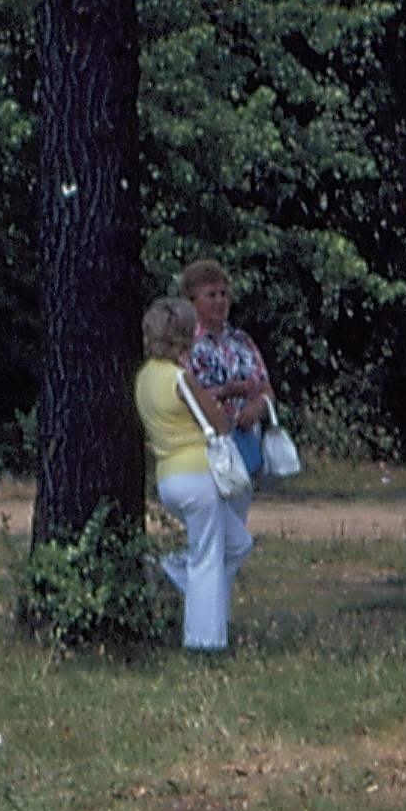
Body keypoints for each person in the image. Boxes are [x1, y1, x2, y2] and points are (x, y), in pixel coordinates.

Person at [136, 296, 248, 652]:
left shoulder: (144, 378)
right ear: (182, 337)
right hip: (199, 474)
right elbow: (217, 422)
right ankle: (205, 641)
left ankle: (173, 571)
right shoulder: (181, 379)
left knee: (238, 543)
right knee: (208, 558)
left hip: (168, 475)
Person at [180, 258, 272, 573]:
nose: (220, 301)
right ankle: (185, 579)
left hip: (244, 440)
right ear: (192, 302)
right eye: (211, 295)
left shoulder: (241, 342)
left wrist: (255, 407)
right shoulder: (185, 345)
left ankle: (218, 598)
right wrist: (225, 392)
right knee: (214, 530)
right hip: (207, 444)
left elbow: (266, 388)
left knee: (235, 525)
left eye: (223, 294)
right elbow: (182, 395)